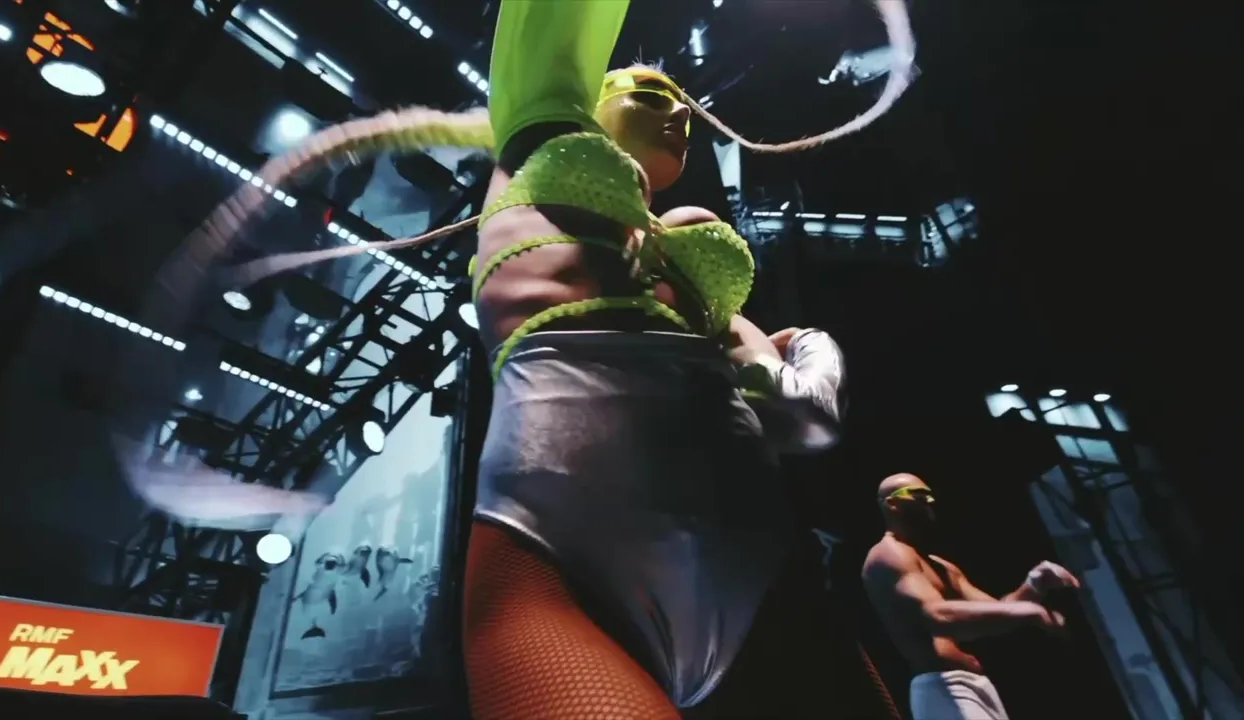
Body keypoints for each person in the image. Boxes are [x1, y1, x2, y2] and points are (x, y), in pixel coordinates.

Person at [135, 3, 920, 717]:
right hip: (559, 564)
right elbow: (554, 24)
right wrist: (792, 350)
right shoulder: (542, 155)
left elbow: (807, 420)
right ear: (590, 103)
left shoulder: (693, 265)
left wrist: (807, 348)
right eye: (652, 92)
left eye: (685, 103)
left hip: (765, 568)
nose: (680, 111)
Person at [862, 474, 1081, 720]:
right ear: (892, 504)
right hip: (943, 688)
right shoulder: (888, 555)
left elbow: (997, 611)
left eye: (930, 495)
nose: (930, 501)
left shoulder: (941, 566)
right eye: (919, 495)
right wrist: (1030, 612)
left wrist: (1034, 584)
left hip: (976, 687)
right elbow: (935, 616)